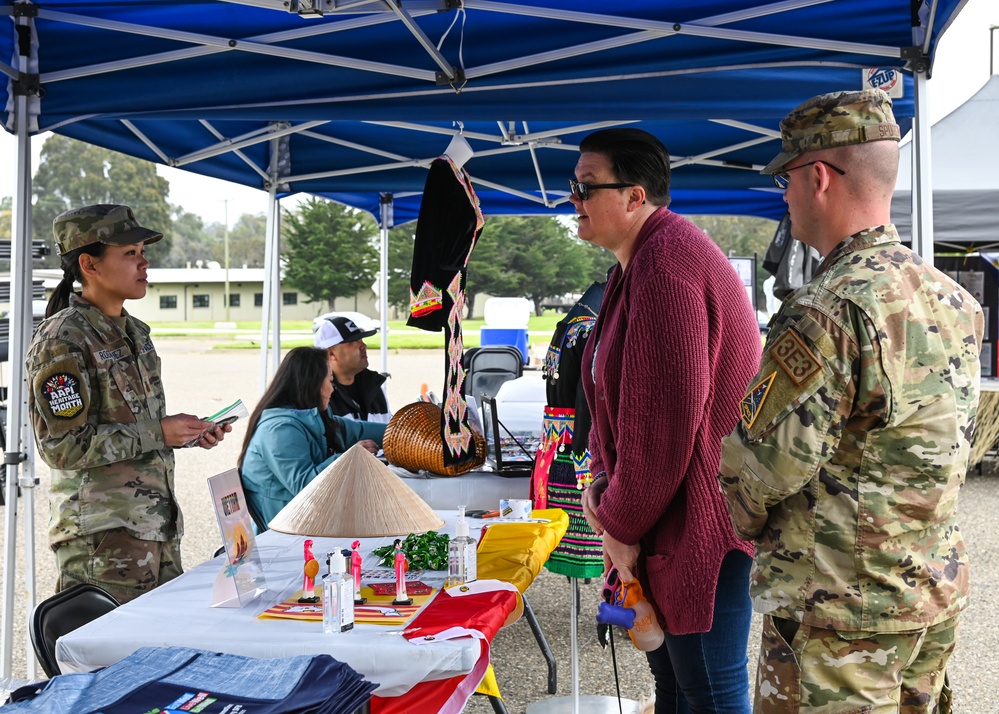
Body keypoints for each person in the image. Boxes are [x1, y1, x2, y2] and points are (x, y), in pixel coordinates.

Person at [718, 89, 983, 712]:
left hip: (839, 614)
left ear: (818, 178)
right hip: (926, 596)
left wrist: (744, 517)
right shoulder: (952, 300)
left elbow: (764, 464)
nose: (782, 195)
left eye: (785, 178)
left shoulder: (828, 308)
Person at [575, 128, 762, 713]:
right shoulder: (639, 264)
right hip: (668, 522)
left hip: (699, 527)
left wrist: (616, 523)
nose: (572, 201)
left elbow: (664, 430)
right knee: (676, 690)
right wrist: (607, 495)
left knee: (708, 692)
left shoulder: (667, 266)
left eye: (585, 188)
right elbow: (614, 406)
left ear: (635, 196)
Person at [26, 203, 230, 604]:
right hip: (103, 540)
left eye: (143, 252)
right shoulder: (63, 339)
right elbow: (63, 448)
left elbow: (136, 427)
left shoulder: (135, 331)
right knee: (110, 662)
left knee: (162, 656)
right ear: (90, 264)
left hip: (156, 529)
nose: (144, 263)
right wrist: (159, 432)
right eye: (130, 253)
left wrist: (185, 434)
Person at [238, 346, 386, 524]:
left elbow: (357, 431)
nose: (333, 389)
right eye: (330, 381)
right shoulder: (279, 430)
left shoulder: (313, 416)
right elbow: (305, 487)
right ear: (312, 383)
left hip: (309, 521)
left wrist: (401, 430)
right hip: (283, 533)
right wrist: (350, 458)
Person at [314, 316, 391, 423]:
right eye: (353, 341)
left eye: (361, 340)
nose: (363, 345)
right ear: (331, 354)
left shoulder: (373, 385)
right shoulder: (320, 396)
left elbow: (390, 432)